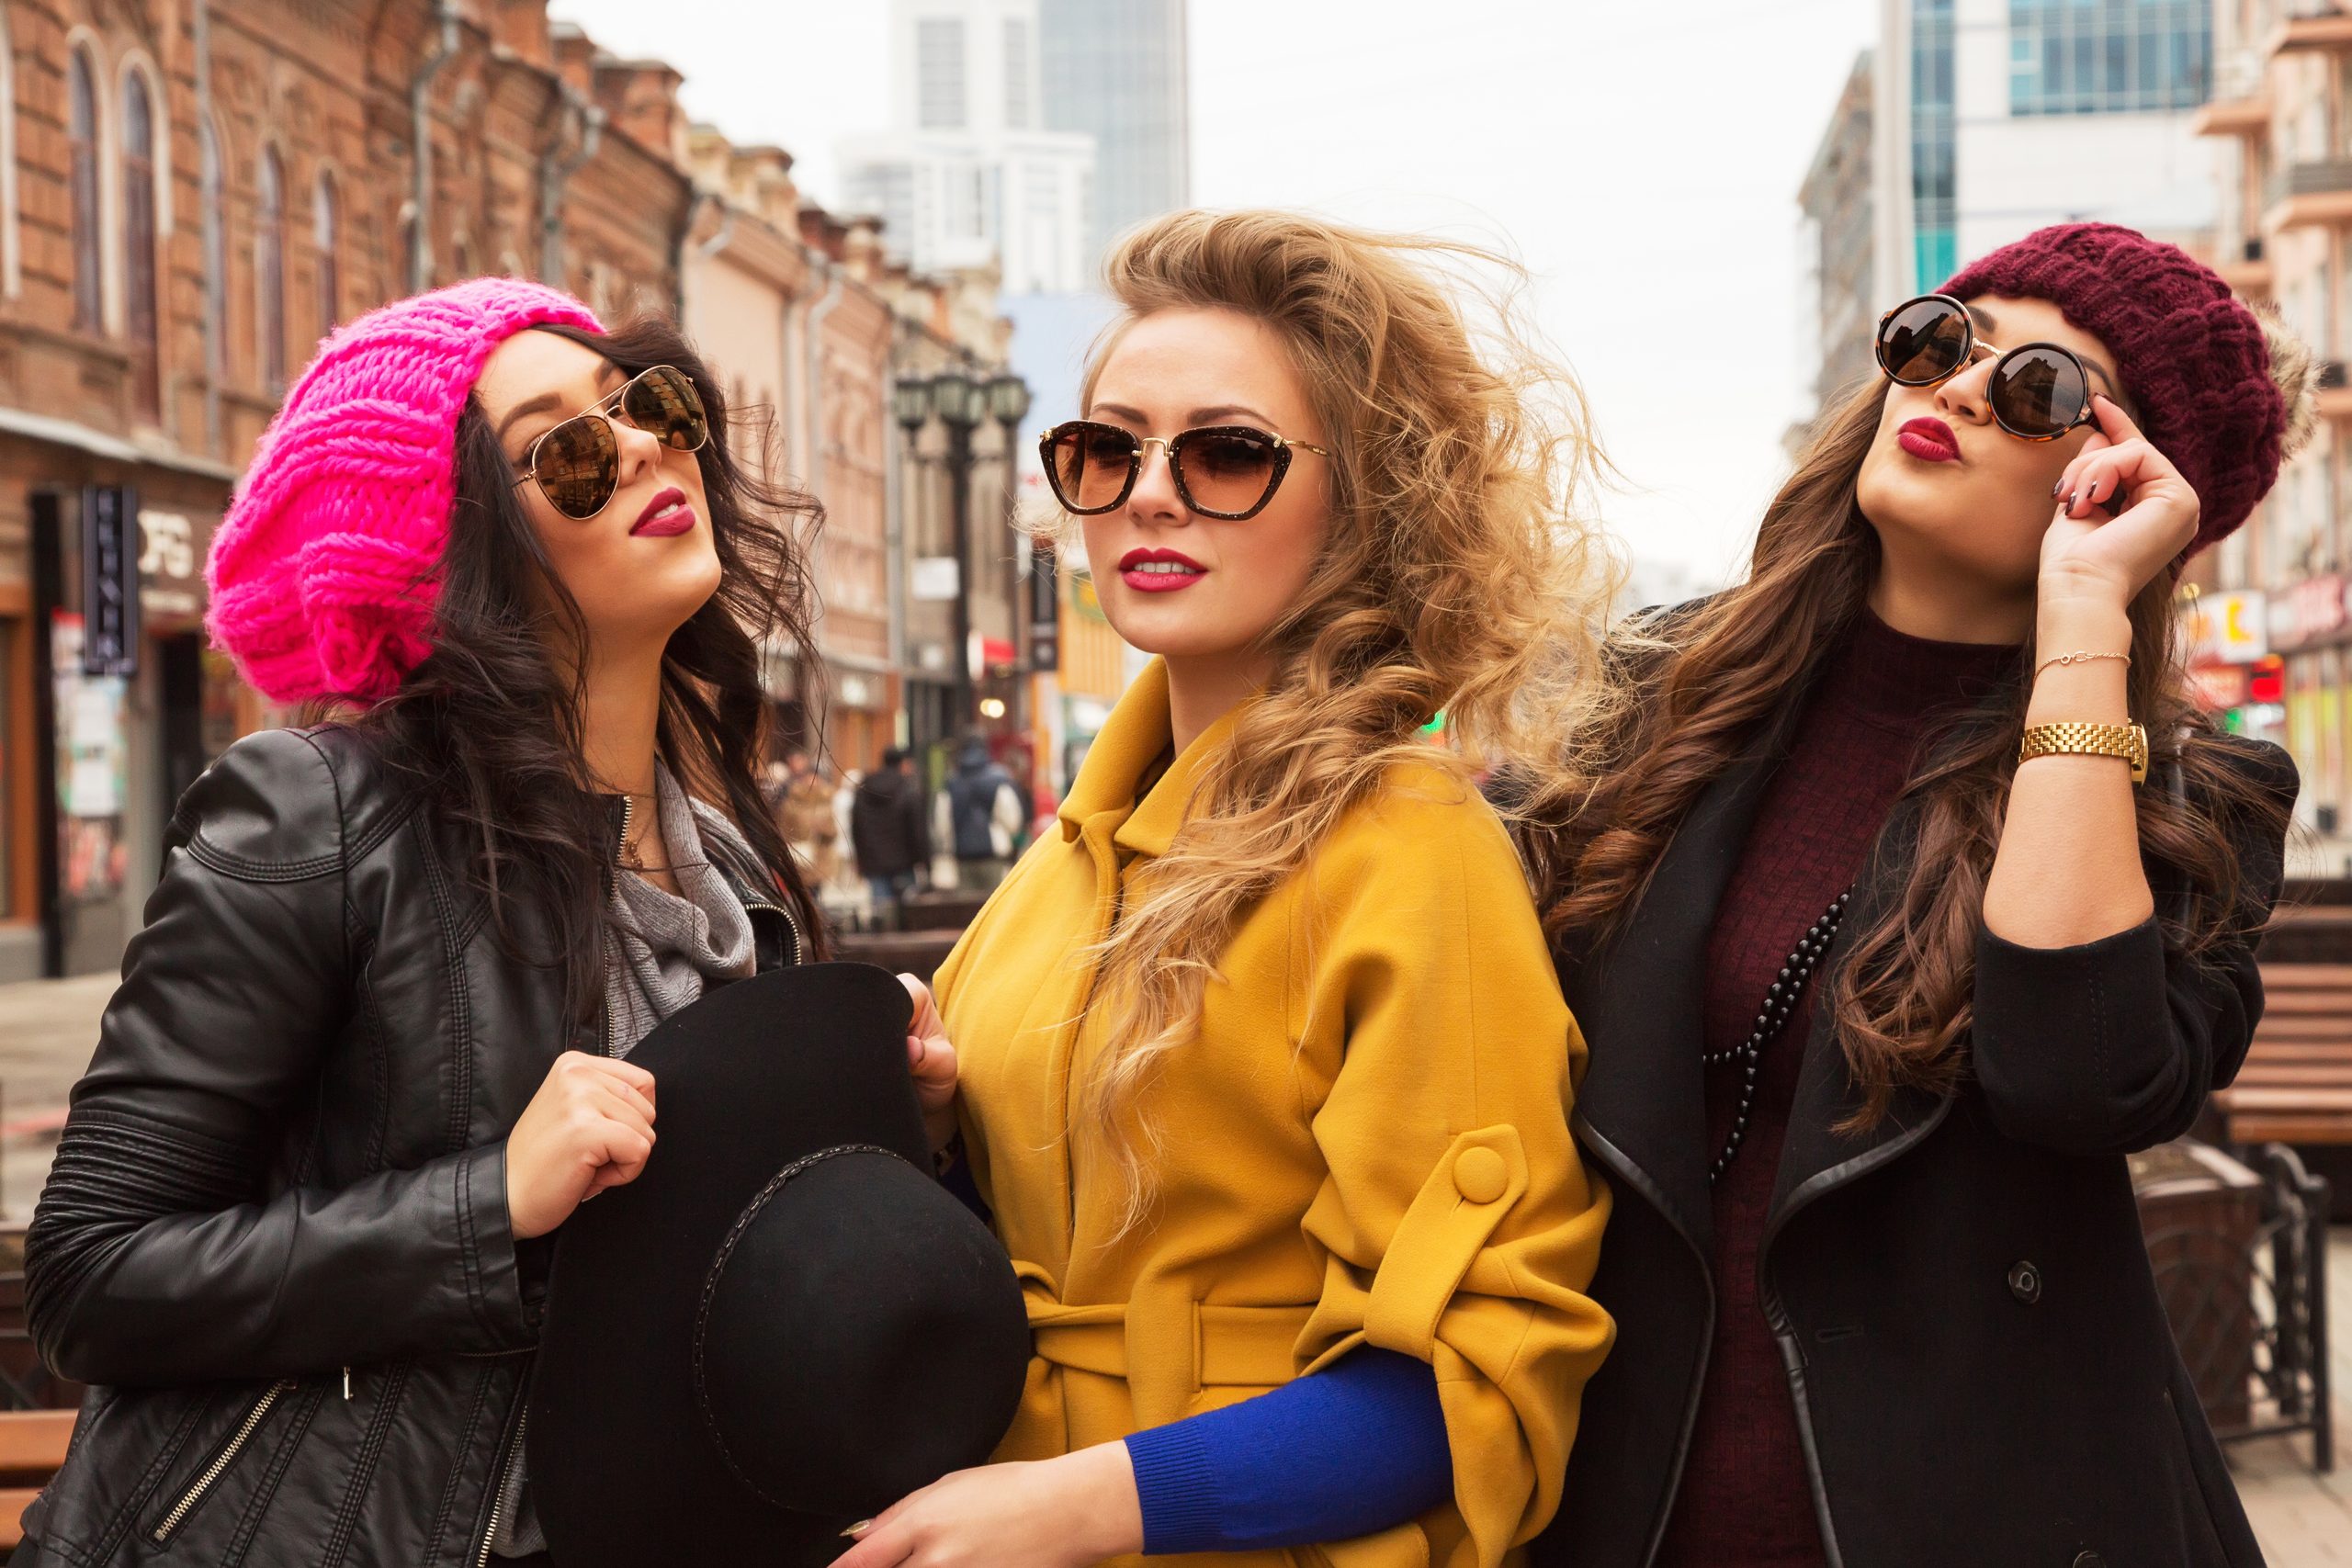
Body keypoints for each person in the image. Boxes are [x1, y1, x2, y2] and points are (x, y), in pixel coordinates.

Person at [12, 280, 953, 1566]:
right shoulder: (322, 814)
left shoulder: (728, 861)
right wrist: (486, 1202)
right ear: (447, 552)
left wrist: (904, 1133)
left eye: (645, 402)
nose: (638, 444)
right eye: (562, 451)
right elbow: (91, 1274)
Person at [838, 209, 1617, 1568]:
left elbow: (1480, 1368)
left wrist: (1083, 1502)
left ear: (1366, 492)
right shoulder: (1055, 868)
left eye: (1226, 452)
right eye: (1106, 449)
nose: (1150, 491)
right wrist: (929, 1126)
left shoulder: (1410, 851)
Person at [1520, 223, 2307, 1568]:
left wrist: (2080, 628)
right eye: (1944, 337)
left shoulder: (2195, 795)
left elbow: (2075, 1076)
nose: (1953, 388)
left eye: (2041, 387)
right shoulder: (1661, 697)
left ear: (2126, 481)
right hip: (1626, 1497)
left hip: (1990, 1511)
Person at [854, 746, 932, 925]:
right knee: (907, 917)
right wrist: (925, 863)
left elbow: (856, 827)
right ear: (903, 764)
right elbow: (918, 831)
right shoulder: (908, 790)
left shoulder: (865, 789)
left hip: (874, 862)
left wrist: (861, 860)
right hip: (904, 862)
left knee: (882, 914)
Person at [938, 733, 1026, 892]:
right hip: (993, 854)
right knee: (994, 907)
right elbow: (1012, 820)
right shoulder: (998, 779)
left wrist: (946, 845)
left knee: (967, 911)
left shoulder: (951, 783)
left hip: (962, 855)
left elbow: (942, 823)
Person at [782, 748, 843, 886]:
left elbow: (835, 829)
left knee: (817, 891)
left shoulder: (829, 799)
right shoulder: (792, 801)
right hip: (799, 852)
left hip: (821, 853)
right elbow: (784, 826)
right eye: (810, 777)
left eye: (816, 777)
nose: (813, 781)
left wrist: (824, 827)